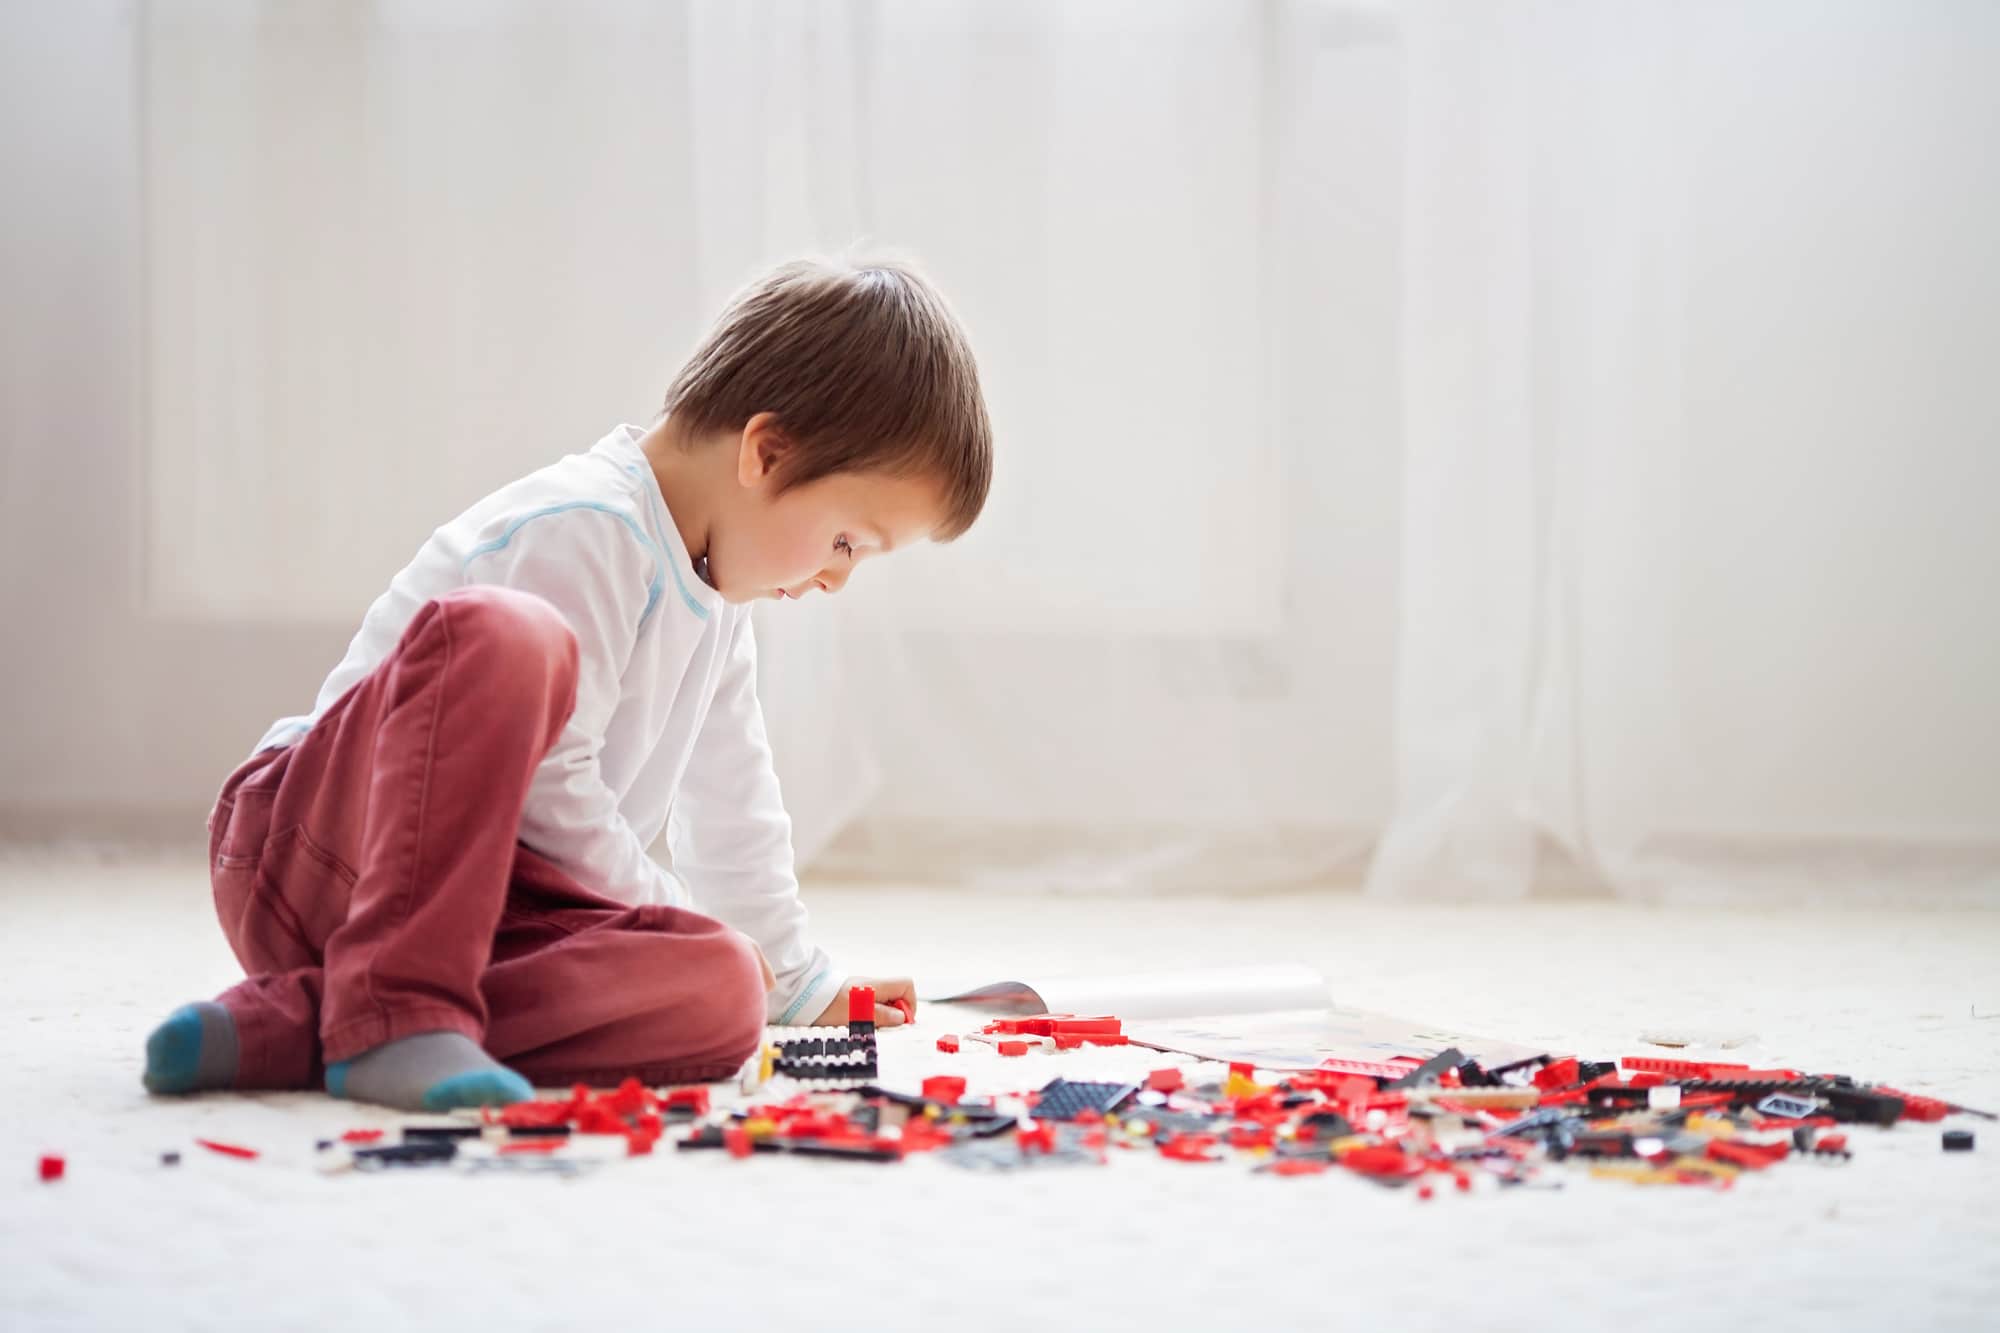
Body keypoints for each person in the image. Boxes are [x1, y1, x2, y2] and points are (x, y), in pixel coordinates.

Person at [141, 256, 993, 1111]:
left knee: (723, 988)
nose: (838, 579)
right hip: (321, 851)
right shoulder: (586, 526)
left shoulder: (720, 604)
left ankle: (309, 1023)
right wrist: (666, 907)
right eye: (848, 542)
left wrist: (792, 978)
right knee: (506, 637)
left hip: (486, 912)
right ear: (766, 452)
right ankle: (393, 1005)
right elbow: (554, 793)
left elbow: (732, 803)